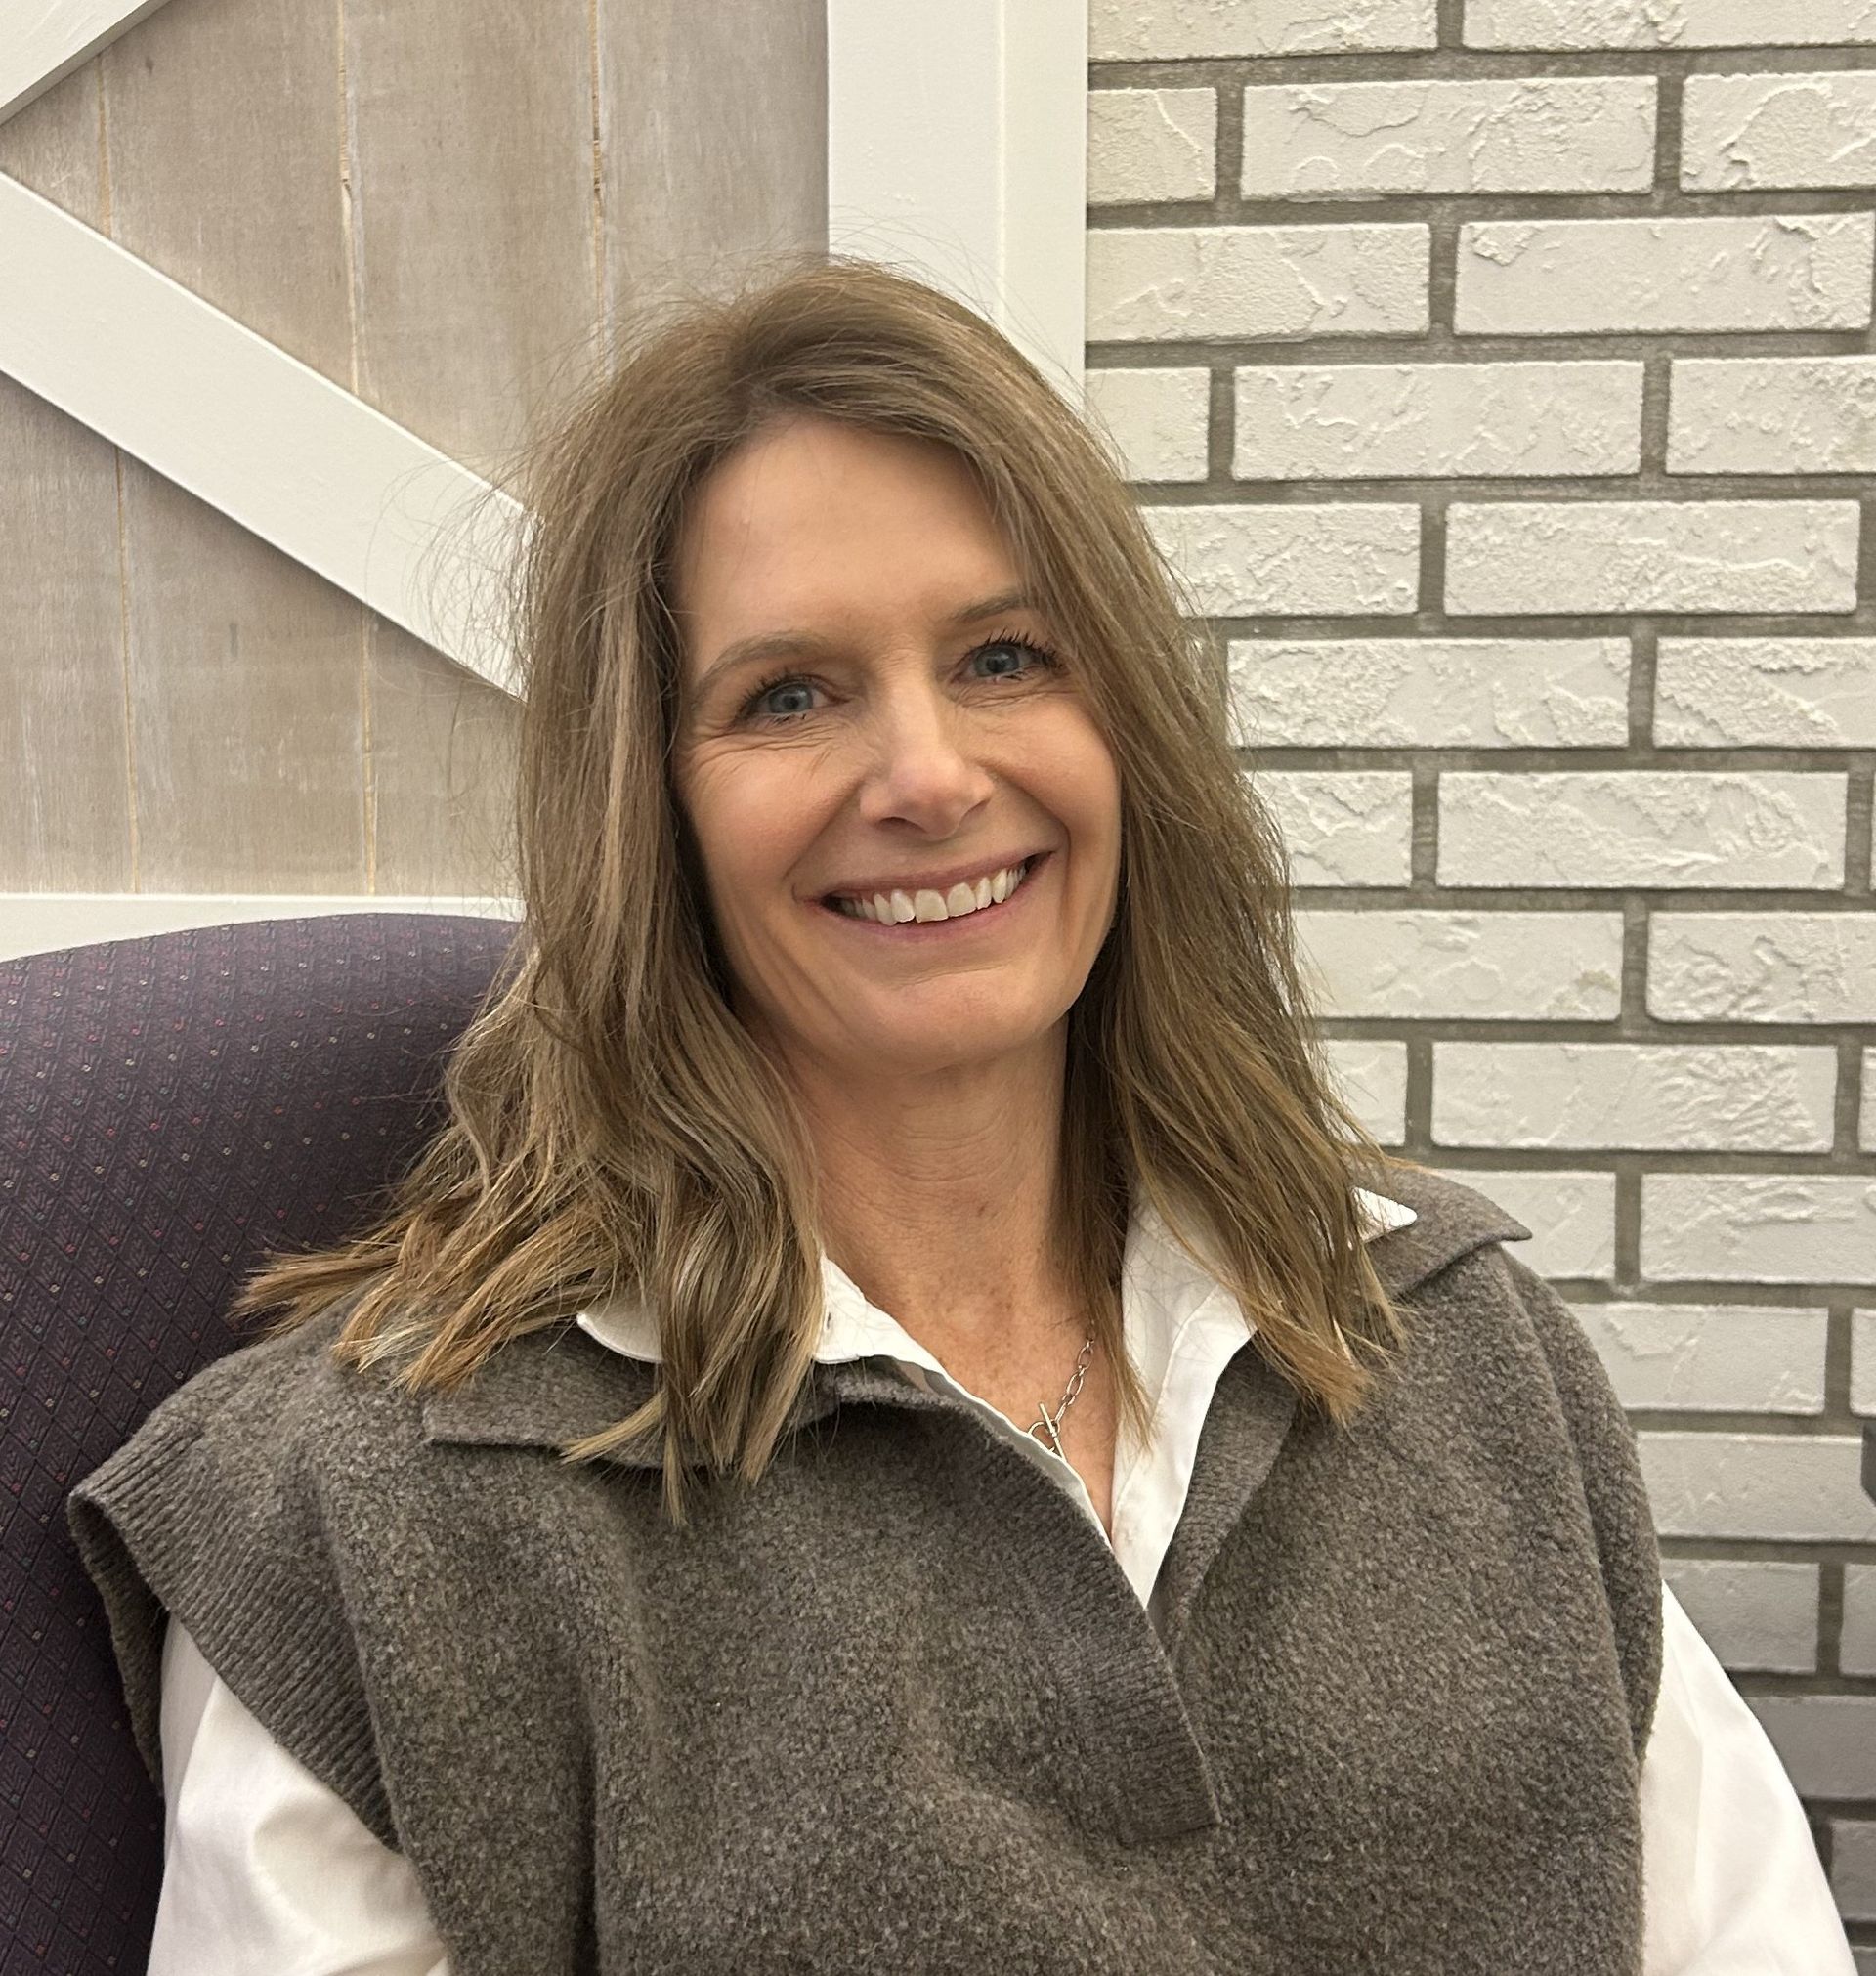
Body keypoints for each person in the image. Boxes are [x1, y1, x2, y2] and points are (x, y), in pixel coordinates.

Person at [69, 257, 1854, 1975]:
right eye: (789, 694)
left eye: (1006, 657)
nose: (928, 775)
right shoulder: (373, 1518)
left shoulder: (1463, 1349)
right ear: (648, 811)